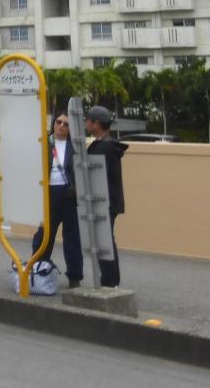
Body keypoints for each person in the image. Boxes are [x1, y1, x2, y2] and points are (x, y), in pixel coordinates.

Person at [31, 113, 83, 288]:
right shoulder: (43, 143)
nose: (61, 126)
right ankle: (38, 268)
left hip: (69, 195)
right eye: (59, 122)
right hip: (49, 192)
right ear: (53, 124)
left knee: (73, 238)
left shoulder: (75, 146)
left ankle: (75, 277)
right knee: (44, 234)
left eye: (66, 124)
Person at [85, 105, 128, 287]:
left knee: (104, 242)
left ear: (96, 123)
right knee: (105, 240)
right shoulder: (107, 145)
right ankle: (110, 281)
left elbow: (91, 173)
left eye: (88, 120)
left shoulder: (103, 147)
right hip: (109, 201)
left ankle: (110, 282)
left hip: (104, 202)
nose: (86, 123)